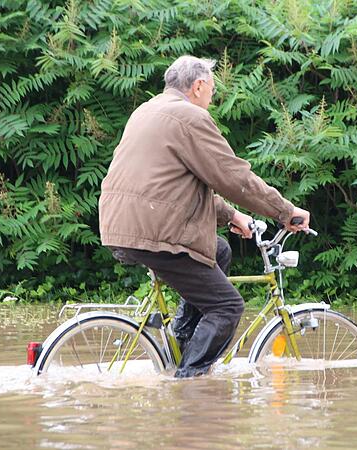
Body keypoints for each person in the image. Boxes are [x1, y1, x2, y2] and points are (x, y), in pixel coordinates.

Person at [98, 55, 310, 378]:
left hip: (122, 223)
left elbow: (175, 188)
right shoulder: (189, 118)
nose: (212, 98)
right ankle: (188, 384)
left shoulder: (147, 110)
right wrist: (286, 211)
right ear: (198, 86)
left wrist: (231, 216)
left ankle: (181, 340)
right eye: (212, 90)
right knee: (228, 307)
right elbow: (233, 178)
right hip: (153, 229)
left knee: (219, 250)